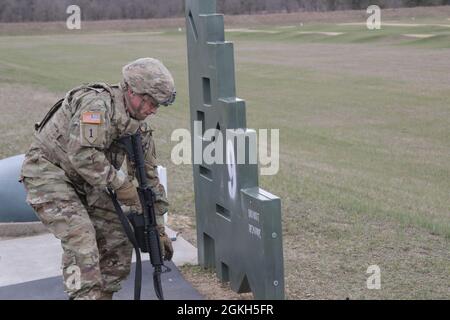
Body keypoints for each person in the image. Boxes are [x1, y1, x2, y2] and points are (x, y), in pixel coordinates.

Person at [20, 57, 176, 300]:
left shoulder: (139, 127)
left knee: (119, 239)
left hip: (91, 182)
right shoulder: (97, 105)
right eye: (151, 102)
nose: (153, 110)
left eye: (159, 105)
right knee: (81, 243)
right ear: (133, 91)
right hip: (49, 173)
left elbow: (149, 180)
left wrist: (158, 227)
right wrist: (121, 184)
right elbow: (82, 154)